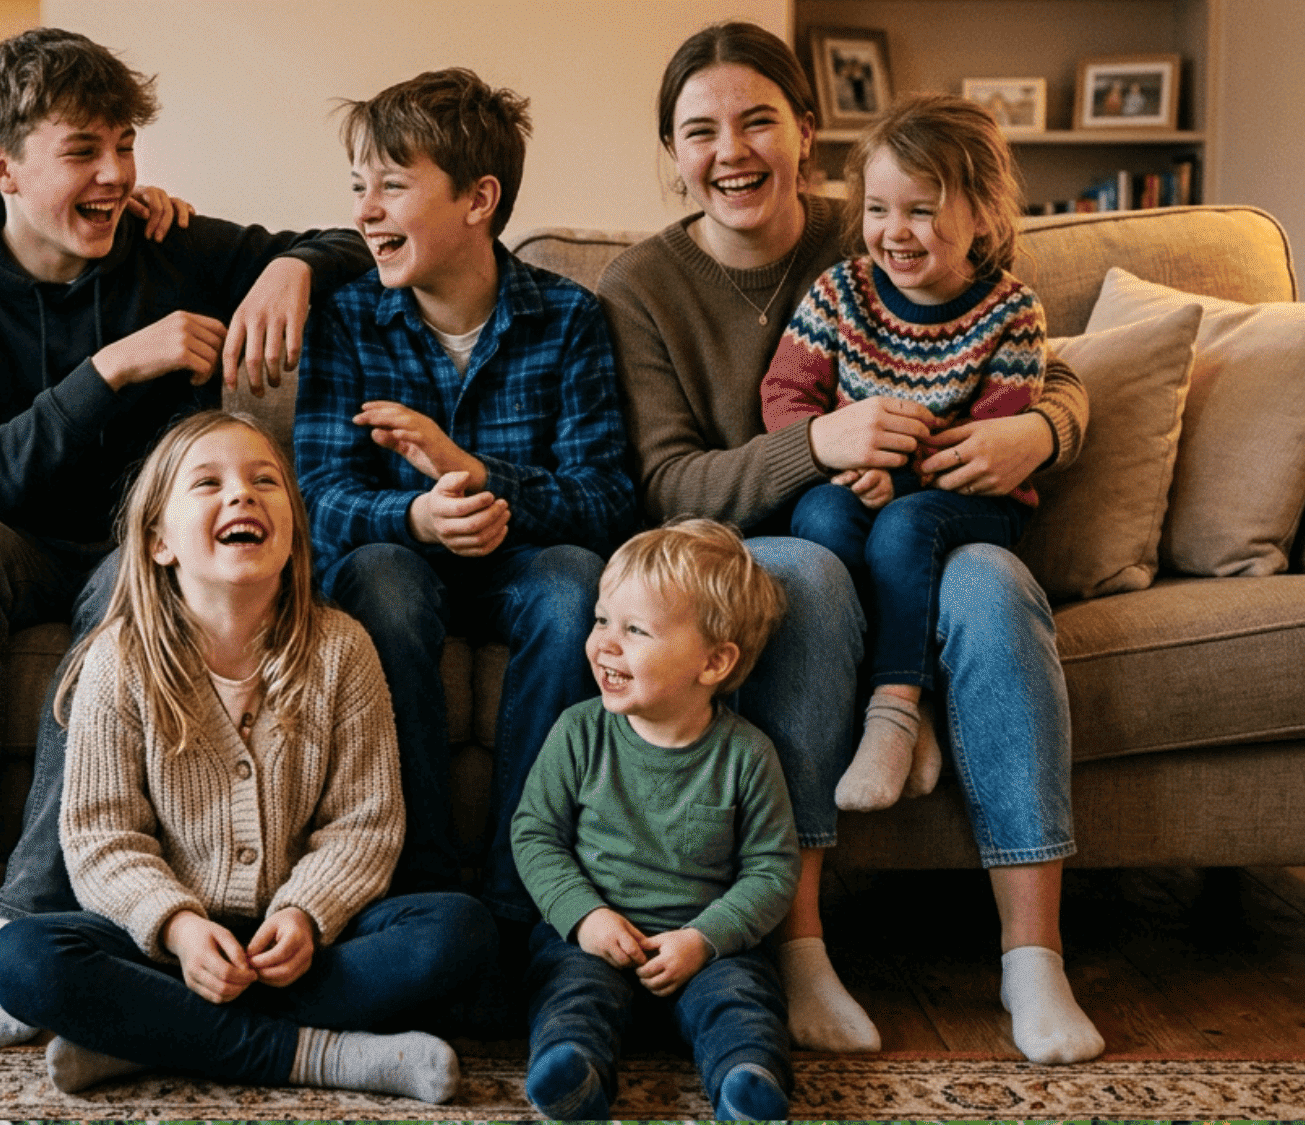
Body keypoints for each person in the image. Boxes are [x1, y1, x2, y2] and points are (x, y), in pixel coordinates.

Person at [596, 20, 1104, 1065]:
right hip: (789, 541)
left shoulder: (885, 213)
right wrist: (813, 444)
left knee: (993, 585)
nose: (729, 151)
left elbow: (1030, 348)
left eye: (755, 122)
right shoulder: (640, 288)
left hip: (932, 516)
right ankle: (799, 950)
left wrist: (1039, 427)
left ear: (805, 134)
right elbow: (663, 483)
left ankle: (1030, 958)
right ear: (672, 154)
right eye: (699, 132)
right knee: (804, 575)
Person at [0, 27, 372, 1049]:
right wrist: (112, 370)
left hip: (132, 559)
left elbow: (356, 242)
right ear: (0, 166)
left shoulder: (171, 246)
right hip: (6, 549)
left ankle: (24, 915)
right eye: (82, 151)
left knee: (134, 589)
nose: (115, 175)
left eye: (125, 146)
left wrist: (289, 272)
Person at [0, 410, 495, 1104]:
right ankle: (314, 1053)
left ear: (292, 527)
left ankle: (148, 1038)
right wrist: (179, 925)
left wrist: (306, 913)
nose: (242, 496)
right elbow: (102, 838)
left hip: (300, 948)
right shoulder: (118, 660)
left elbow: (365, 824)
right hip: (169, 946)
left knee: (460, 930)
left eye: (264, 481)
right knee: (19, 960)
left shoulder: (343, 650)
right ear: (160, 541)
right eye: (208, 483)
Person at [293, 68, 636, 936]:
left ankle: (526, 896)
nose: (367, 210)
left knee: (572, 586)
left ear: (478, 199)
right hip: (402, 559)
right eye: (358, 187)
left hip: (526, 558)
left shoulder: (569, 319)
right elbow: (320, 497)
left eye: (393, 186)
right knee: (378, 576)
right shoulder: (344, 321)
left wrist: (480, 477)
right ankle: (422, 885)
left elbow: (607, 500)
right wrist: (413, 516)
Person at [761, 93, 1045, 814]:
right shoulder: (841, 291)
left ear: (980, 214)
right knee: (822, 515)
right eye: (878, 209)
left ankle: (891, 711)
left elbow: (991, 438)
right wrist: (842, 460)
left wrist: (899, 475)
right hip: (860, 481)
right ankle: (898, 708)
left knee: (906, 526)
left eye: (920, 210)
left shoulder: (1011, 313)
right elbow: (787, 392)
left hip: (969, 502)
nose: (895, 232)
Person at [512, 519, 798, 1120]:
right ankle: (574, 1072)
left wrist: (704, 939)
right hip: (595, 940)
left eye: (635, 630)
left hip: (706, 949)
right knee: (568, 993)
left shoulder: (745, 754)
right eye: (600, 620)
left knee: (744, 1001)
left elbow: (772, 870)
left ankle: (747, 1083)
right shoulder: (580, 731)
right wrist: (585, 917)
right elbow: (535, 834)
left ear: (714, 663)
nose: (605, 644)